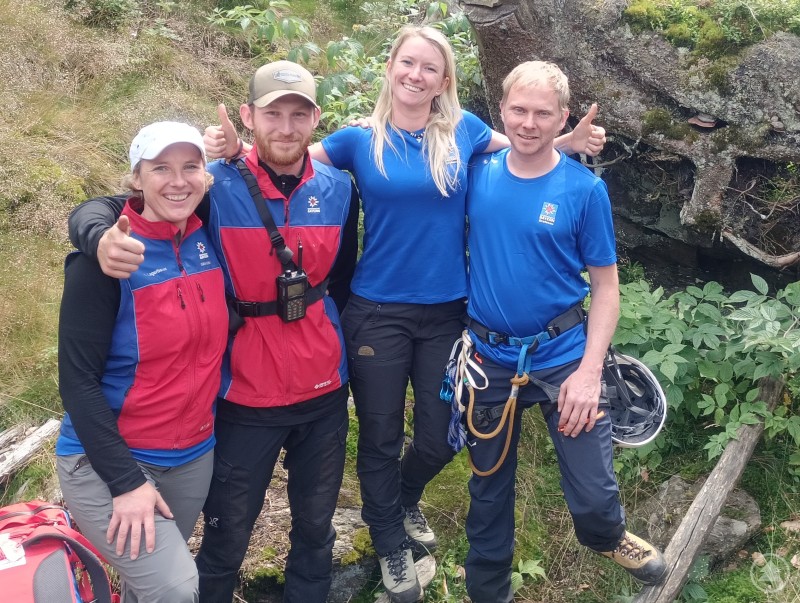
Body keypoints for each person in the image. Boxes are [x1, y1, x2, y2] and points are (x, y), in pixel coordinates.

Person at [203, 25, 606, 603]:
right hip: (376, 311)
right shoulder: (356, 141)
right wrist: (227, 150)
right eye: (408, 63)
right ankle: (388, 538)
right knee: (381, 434)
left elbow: (524, 148)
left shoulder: (465, 132)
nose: (417, 75)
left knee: (448, 432)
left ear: (445, 80)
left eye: (430, 68)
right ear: (390, 67)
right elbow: (279, 159)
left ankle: (403, 494)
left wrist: (568, 142)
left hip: (449, 313)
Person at [67, 61, 360, 603]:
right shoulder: (213, 183)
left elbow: (339, 280)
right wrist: (94, 236)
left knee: (317, 532)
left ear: (317, 119)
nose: (287, 127)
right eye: (273, 113)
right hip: (244, 394)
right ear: (248, 116)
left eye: (299, 114)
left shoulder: (340, 189)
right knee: (227, 538)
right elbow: (123, 204)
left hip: (322, 392)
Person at [456, 61, 667, 602]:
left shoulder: (582, 190)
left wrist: (589, 372)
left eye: (542, 113)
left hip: (564, 355)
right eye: (519, 111)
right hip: (489, 360)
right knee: (487, 493)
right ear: (500, 112)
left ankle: (606, 535)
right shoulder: (476, 175)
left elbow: (607, 286)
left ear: (563, 118)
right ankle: (488, 592)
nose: (529, 123)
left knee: (595, 495)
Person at [56, 121, 229, 602]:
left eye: (190, 167)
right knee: (175, 588)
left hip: (193, 454)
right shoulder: (107, 260)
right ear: (137, 178)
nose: (178, 181)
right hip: (109, 459)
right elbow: (76, 383)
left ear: (206, 175)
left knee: (148, 587)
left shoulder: (208, 232)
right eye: (161, 169)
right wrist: (126, 482)